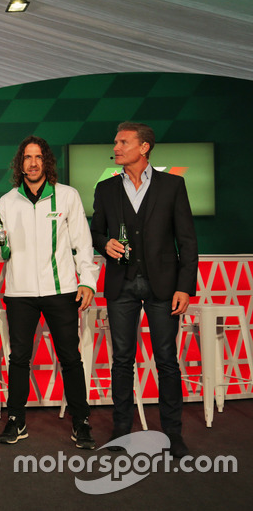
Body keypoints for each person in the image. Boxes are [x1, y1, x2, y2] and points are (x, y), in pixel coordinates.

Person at [91, 122, 198, 458]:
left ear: (144, 147)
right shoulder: (106, 188)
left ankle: (173, 435)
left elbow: (187, 240)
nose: (116, 147)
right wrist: (104, 243)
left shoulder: (172, 186)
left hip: (164, 286)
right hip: (120, 285)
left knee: (166, 360)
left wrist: (185, 287)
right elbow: (94, 233)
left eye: (123, 142)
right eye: (116, 142)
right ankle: (121, 432)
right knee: (122, 360)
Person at [0, 136, 98, 449]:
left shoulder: (67, 197)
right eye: (27, 157)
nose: (32, 163)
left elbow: (82, 243)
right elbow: (0, 256)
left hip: (61, 290)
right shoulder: (5, 202)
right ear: (20, 164)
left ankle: (82, 422)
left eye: (38, 157)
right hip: (19, 292)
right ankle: (16, 420)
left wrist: (87, 280)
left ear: (46, 162)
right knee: (19, 358)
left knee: (70, 357)